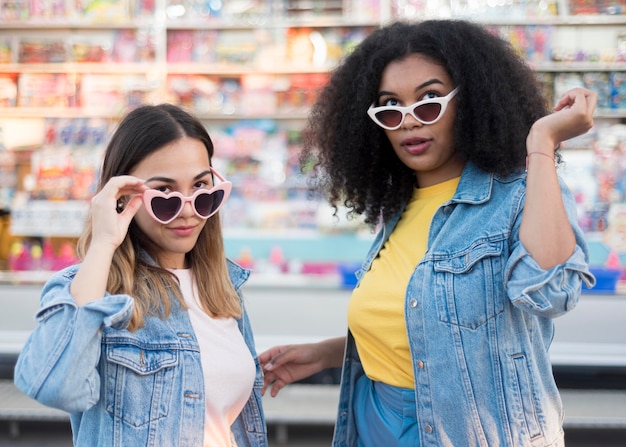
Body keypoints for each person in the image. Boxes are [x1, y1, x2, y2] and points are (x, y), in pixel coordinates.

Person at [259, 19, 597, 447]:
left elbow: (549, 293)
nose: (409, 121)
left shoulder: (518, 194)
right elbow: (425, 320)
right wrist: (328, 353)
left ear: (471, 101)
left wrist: (542, 143)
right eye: (390, 107)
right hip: (373, 420)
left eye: (430, 100)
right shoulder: (400, 207)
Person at [14, 104, 268, 447]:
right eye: (164, 194)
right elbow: (53, 385)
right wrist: (104, 242)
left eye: (202, 188)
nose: (189, 209)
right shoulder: (93, 290)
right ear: (121, 196)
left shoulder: (224, 289)